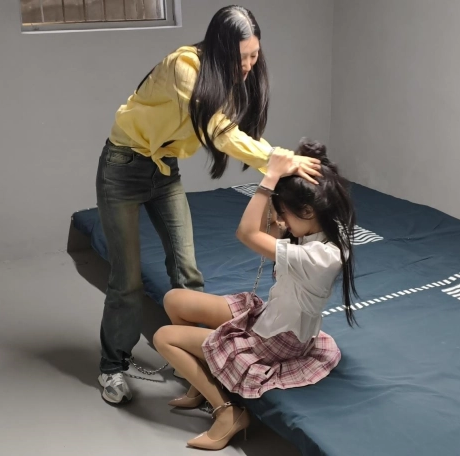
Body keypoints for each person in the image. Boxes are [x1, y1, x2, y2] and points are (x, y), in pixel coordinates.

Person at [96, 5, 322, 405]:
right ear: (220, 49)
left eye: (254, 55)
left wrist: (279, 167)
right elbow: (220, 131)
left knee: (187, 271)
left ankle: (200, 365)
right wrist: (279, 162)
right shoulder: (184, 67)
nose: (249, 65)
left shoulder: (227, 75)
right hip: (122, 167)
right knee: (127, 279)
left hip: (164, 169)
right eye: (242, 57)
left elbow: (232, 129)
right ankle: (113, 365)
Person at [153, 139, 359, 450]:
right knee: (175, 300)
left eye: (285, 213)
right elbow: (270, 229)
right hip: (268, 317)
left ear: (307, 211)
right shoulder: (319, 224)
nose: (283, 220)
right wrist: (283, 187)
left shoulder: (319, 256)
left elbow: (247, 234)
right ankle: (203, 381)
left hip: (277, 339)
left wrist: (270, 178)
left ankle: (228, 413)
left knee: (164, 338)